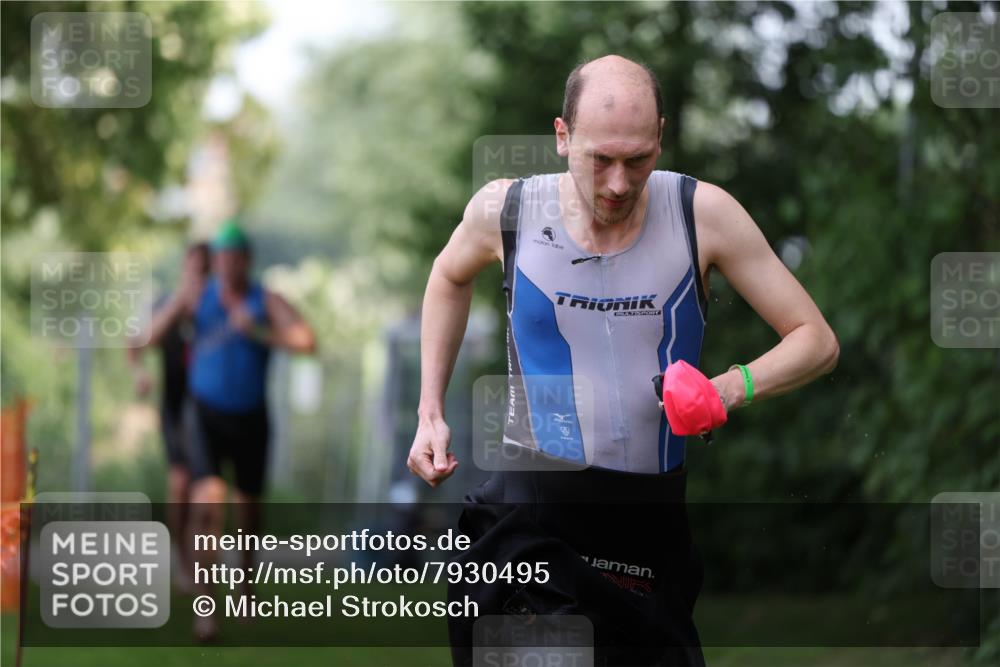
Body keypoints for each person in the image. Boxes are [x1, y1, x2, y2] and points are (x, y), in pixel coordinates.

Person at [407, 55, 839, 666]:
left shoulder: (701, 214)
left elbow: (815, 340)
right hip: (533, 509)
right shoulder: (507, 213)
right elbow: (446, 277)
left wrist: (728, 389)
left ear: (661, 136)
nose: (617, 182)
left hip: (647, 521)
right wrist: (430, 410)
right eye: (600, 159)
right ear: (562, 137)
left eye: (637, 160)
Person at [153, 219, 316, 640]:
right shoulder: (199, 295)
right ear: (216, 262)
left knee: (248, 514)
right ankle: (205, 607)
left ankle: (244, 586)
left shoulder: (266, 298)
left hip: (251, 417)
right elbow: (150, 336)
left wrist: (258, 331)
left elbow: (306, 340)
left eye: (234, 258)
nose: (226, 265)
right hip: (203, 415)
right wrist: (176, 306)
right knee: (207, 501)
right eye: (220, 258)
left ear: (246, 260)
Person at [129, 242, 210, 592]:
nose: (196, 277)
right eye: (191, 270)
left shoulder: (218, 307)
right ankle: (183, 560)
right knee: (180, 485)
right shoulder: (167, 303)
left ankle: (205, 565)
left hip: (211, 410)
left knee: (205, 491)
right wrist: (139, 374)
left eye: (203, 271)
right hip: (176, 407)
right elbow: (137, 342)